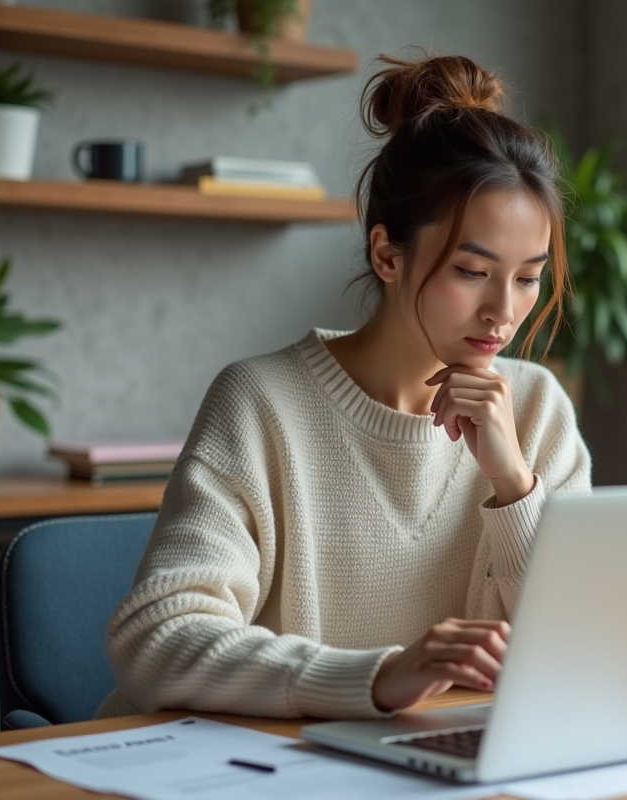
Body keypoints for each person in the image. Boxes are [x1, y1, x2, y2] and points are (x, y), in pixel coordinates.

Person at [95, 51, 591, 722]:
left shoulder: (535, 411)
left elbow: (582, 651)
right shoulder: (261, 403)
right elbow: (157, 640)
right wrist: (378, 676)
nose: (504, 310)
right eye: (473, 272)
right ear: (387, 254)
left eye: (528, 277)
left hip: (439, 766)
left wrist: (515, 488)